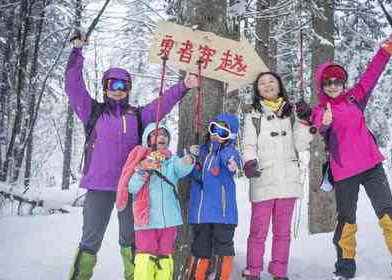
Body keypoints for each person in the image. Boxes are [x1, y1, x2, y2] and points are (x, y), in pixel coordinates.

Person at [66, 37, 198, 280]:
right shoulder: (93, 112)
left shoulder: (138, 116)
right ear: (105, 87)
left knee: (131, 241)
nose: (118, 89)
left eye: (123, 85)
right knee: (90, 239)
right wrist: (76, 52)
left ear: (128, 88)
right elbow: (74, 87)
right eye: (113, 84)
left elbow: (163, 104)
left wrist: (184, 85)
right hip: (99, 187)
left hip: (131, 189)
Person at [296, 25, 392, 280]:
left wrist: (387, 48)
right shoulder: (320, 110)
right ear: (322, 85)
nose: (332, 85)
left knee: (387, 213)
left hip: (372, 166)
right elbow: (319, 125)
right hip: (344, 173)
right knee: (346, 219)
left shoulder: (355, 99)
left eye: (337, 81)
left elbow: (372, 74)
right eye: (327, 82)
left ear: (343, 82)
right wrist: (322, 120)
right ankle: (344, 268)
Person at [240, 72, 313, 280]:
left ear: (279, 85)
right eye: (262, 83)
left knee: (283, 232)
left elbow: (300, 144)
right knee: (258, 231)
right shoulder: (253, 115)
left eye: (271, 81)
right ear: (257, 90)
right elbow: (248, 144)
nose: (267, 84)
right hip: (263, 178)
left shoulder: (293, 113)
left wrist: (306, 121)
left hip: (288, 180)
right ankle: (253, 270)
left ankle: (279, 271)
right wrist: (249, 162)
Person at [116, 122, 198, 280]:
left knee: (165, 256)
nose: (162, 137)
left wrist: (189, 160)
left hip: (169, 219)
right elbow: (132, 187)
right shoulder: (141, 161)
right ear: (147, 139)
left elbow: (181, 168)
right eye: (156, 134)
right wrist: (144, 169)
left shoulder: (171, 160)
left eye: (165, 135)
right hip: (146, 220)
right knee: (146, 255)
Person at [185, 113, 242, 280]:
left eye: (222, 132)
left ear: (229, 137)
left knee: (223, 248)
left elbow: (233, 158)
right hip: (201, 214)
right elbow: (184, 168)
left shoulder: (227, 152)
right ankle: (195, 276)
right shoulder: (201, 151)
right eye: (213, 128)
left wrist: (233, 162)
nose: (216, 134)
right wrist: (188, 154)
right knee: (199, 248)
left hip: (222, 214)